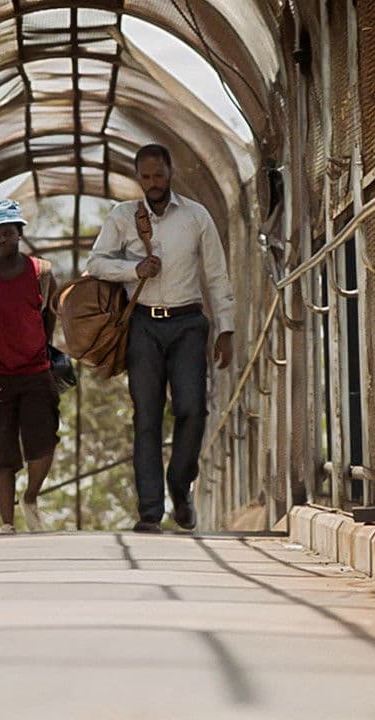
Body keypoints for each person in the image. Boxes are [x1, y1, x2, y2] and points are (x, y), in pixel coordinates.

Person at [85, 144, 235, 533]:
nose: (153, 183)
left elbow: (216, 274)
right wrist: (134, 269)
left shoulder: (197, 216)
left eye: (159, 175)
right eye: (146, 177)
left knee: (193, 409)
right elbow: (95, 263)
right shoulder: (122, 216)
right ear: (139, 177)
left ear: (171, 173)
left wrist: (226, 328)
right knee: (147, 417)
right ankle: (150, 511)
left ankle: (180, 486)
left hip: (188, 324)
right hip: (143, 325)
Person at [0, 199, 60, 535]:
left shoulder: (41, 274)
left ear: (19, 232)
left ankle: (30, 496)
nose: (2, 238)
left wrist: (32, 348)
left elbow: (49, 319)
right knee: (2, 450)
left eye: (8, 231)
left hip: (35, 371)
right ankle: (7, 522)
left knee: (43, 442)